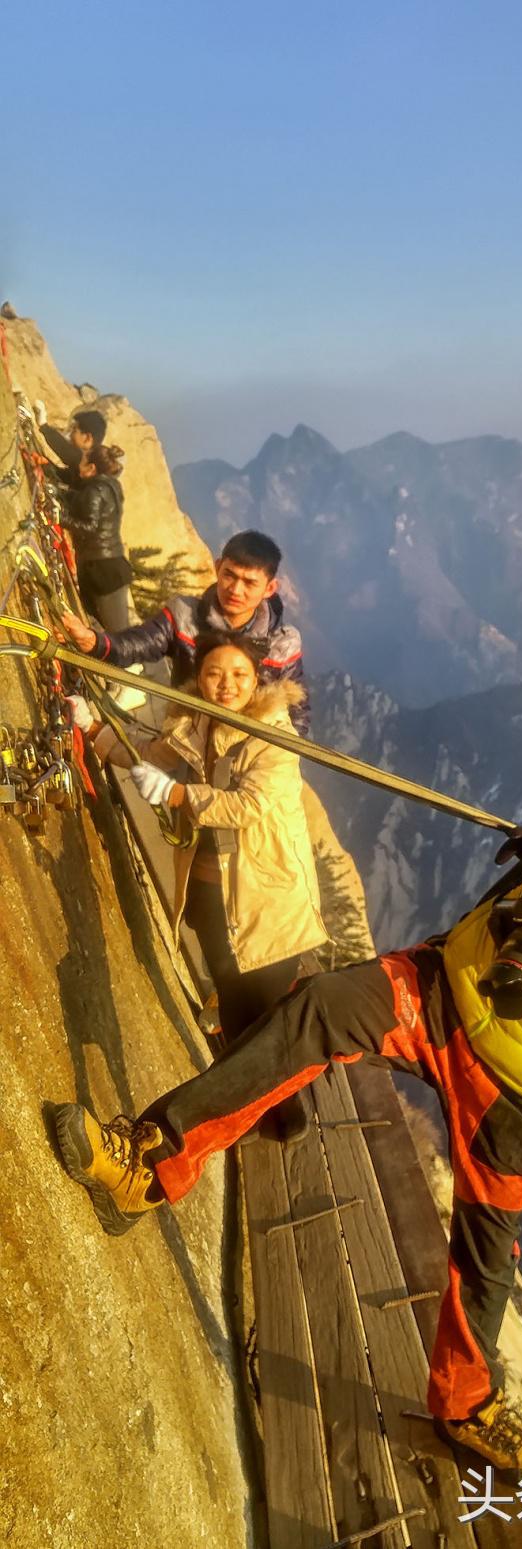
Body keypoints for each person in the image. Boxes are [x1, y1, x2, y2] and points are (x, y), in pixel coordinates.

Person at [54, 459, 522, 1474]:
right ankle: (148, 1160)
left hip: (521, 1077)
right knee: (309, 1018)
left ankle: (464, 1402)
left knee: (483, 1260)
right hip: (446, 986)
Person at [70, 630, 330, 1139]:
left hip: (267, 898)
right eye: (214, 673)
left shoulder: (275, 736)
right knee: (234, 1001)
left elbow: (250, 806)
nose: (226, 684)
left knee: (268, 1016)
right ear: (199, 676)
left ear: (258, 679)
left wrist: (178, 796)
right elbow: (150, 755)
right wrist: (96, 729)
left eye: (238, 674)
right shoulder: (195, 721)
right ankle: (245, 1108)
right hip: (213, 896)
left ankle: (284, 1111)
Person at [59, 529, 311, 736]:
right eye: (229, 576)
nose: (235, 590)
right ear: (217, 567)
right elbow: (138, 643)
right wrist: (93, 642)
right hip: (185, 736)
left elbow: (296, 714)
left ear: (270, 589)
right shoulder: (185, 616)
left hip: (244, 755)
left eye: (249, 583)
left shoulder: (282, 645)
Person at [49, 441, 133, 633]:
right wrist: (59, 493)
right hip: (105, 566)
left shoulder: (96, 490)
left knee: (117, 632)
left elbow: (90, 527)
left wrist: (60, 518)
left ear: (92, 468)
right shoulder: (108, 486)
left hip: (103, 571)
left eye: (83, 460)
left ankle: (127, 663)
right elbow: (80, 500)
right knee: (99, 623)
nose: (79, 463)